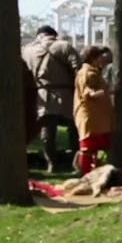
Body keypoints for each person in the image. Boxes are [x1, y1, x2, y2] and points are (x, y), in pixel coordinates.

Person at [22, 26, 82, 171]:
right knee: (75, 130)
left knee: (47, 131)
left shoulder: (26, 50)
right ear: (54, 35)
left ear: (39, 36)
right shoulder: (64, 46)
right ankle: (77, 162)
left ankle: (51, 164)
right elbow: (79, 70)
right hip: (67, 94)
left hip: (42, 95)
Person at [73, 45, 114, 175]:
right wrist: (108, 91)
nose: (103, 60)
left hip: (98, 118)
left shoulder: (94, 72)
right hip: (89, 116)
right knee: (88, 147)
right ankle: (86, 174)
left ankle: (94, 172)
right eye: (100, 57)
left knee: (96, 147)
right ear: (93, 58)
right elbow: (88, 93)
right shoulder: (87, 73)